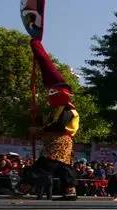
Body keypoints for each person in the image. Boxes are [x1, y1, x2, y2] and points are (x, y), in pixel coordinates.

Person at [29, 39, 80, 201]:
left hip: (60, 141)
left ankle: (24, 185)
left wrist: (39, 130)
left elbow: (58, 126)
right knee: (63, 168)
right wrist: (36, 117)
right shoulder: (55, 110)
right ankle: (69, 190)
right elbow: (46, 124)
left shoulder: (68, 110)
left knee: (43, 166)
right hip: (52, 142)